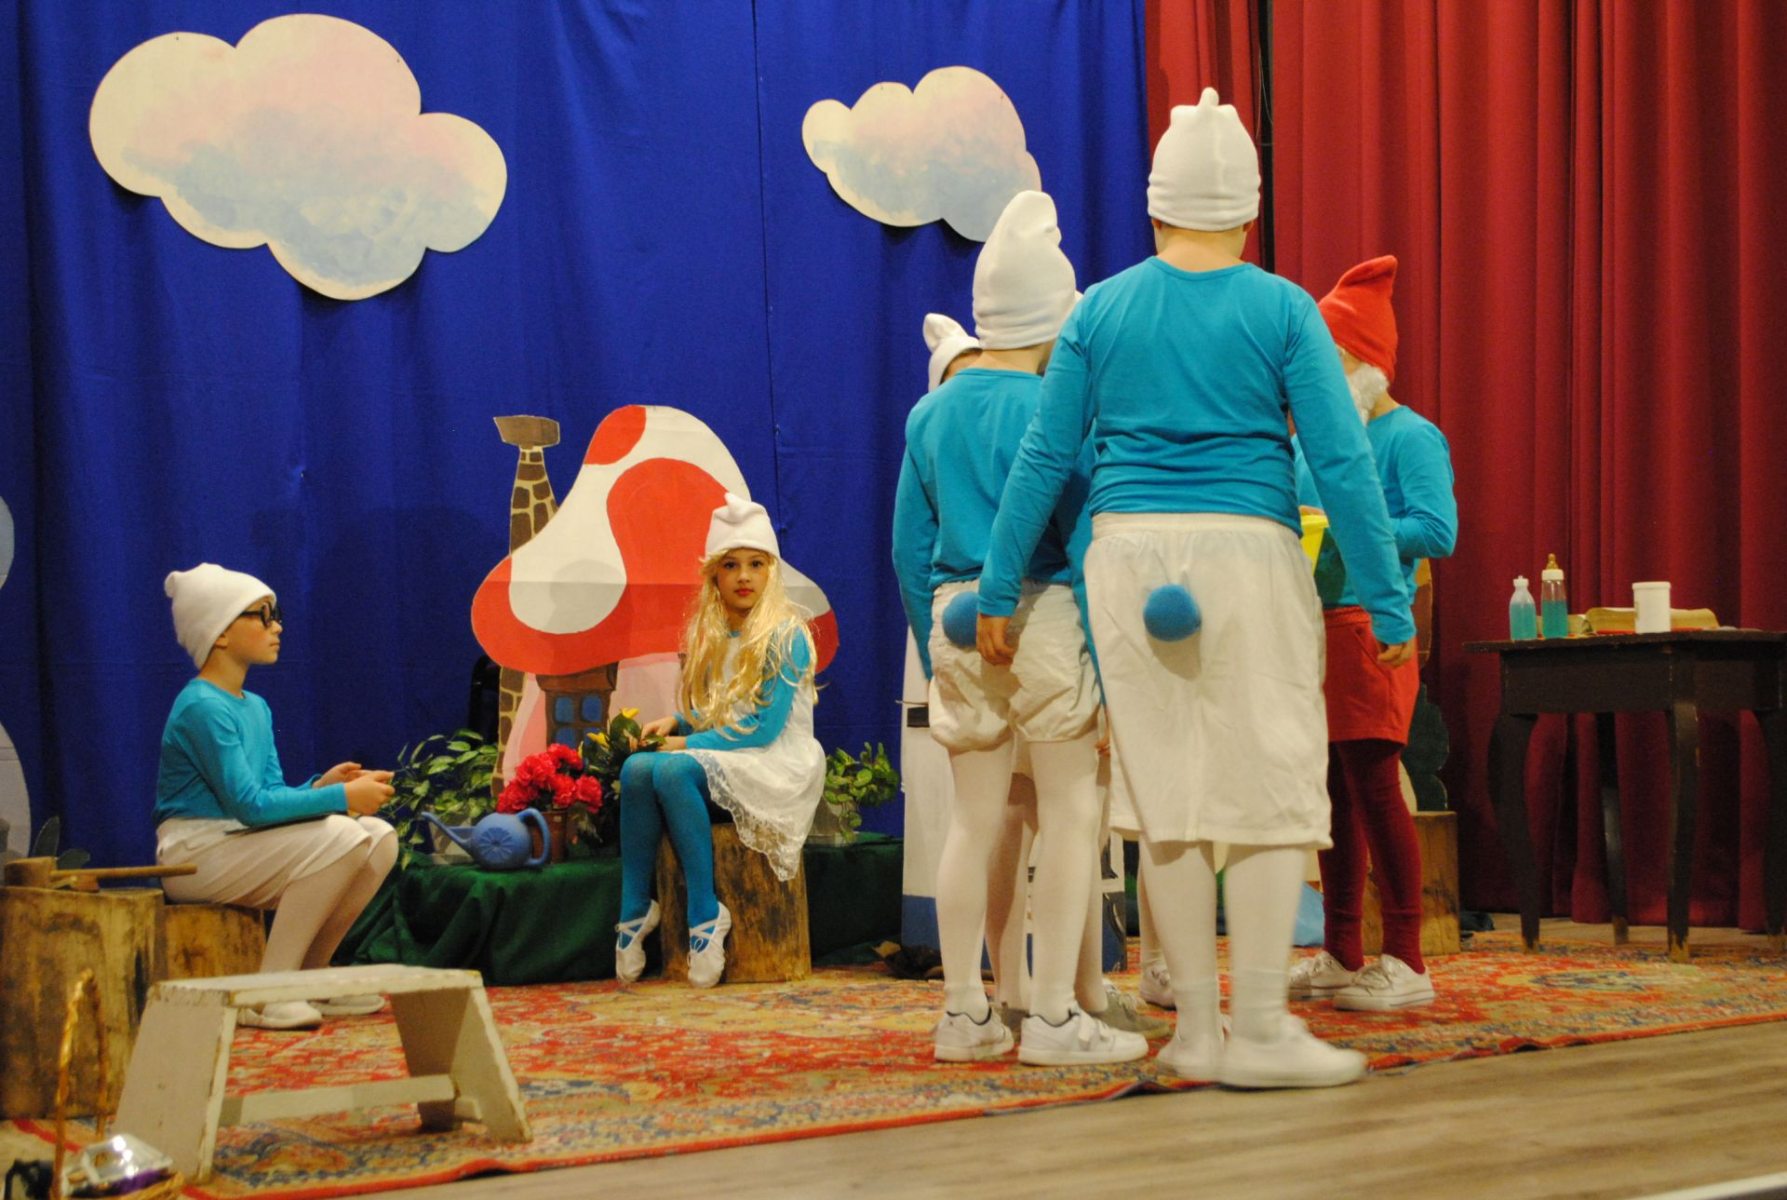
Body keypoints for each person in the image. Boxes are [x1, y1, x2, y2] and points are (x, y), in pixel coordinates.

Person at [977, 89, 1413, 1089]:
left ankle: (1199, 1035)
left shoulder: (1098, 310)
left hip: (1125, 557)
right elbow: (1341, 463)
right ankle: (1258, 1028)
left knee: (1164, 792)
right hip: (1245, 551)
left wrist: (999, 586)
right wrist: (1386, 597)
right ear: (1249, 210)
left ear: (1155, 205)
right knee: (1269, 785)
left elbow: (1043, 457)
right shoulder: (1282, 308)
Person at [894, 190, 1145, 1067]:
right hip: (1043, 615)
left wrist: (936, 650)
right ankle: (1054, 1016)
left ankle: (964, 1012)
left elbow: (908, 550)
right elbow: (1082, 541)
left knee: (971, 821)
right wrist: (1106, 673)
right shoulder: (1056, 410)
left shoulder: (929, 414)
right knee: (1073, 812)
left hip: (957, 622)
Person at [1291, 255, 1457, 1011]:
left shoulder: (1409, 437)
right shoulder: (1309, 443)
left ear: (1363, 362)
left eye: (1329, 359)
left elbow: (1437, 530)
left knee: (1374, 785)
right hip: (1310, 625)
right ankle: (1341, 950)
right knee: (1330, 791)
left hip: (1369, 625)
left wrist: (1351, 528)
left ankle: (1407, 957)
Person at [155, 564, 397, 1030]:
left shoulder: (256, 707)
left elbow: (267, 796)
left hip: (237, 842)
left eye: (276, 615)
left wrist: (319, 789)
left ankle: (311, 976)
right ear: (220, 634)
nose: (277, 627)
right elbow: (250, 807)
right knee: (343, 835)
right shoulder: (202, 707)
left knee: (379, 836)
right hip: (194, 854)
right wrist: (340, 797)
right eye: (262, 616)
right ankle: (269, 992)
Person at [613, 494, 824, 988]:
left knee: (672, 770)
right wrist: (677, 724)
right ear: (714, 575)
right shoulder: (710, 633)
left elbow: (763, 728)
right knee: (636, 769)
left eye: (755, 564)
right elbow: (721, 710)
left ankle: (705, 913)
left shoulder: (785, 635)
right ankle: (634, 908)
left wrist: (686, 748)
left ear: (772, 571)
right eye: (731, 565)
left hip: (776, 760)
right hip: (730, 753)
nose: (744, 576)